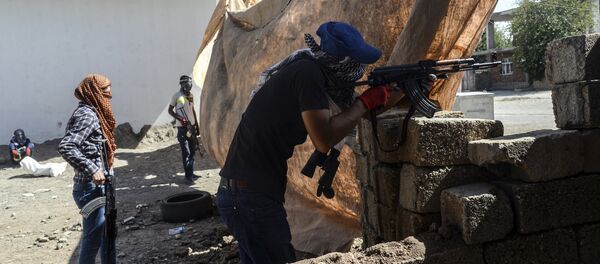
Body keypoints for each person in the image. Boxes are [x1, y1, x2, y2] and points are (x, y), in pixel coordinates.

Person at [216, 21, 433, 264]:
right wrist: (364, 102)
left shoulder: (309, 71)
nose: (359, 71)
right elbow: (324, 139)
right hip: (249, 197)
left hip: (246, 194)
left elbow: (352, 114)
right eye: (356, 63)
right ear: (341, 62)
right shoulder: (308, 75)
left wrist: (402, 89)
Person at [58, 74, 117, 264]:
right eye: (105, 90)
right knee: (92, 241)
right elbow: (67, 146)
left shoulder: (94, 112)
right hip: (90, 189)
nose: (110, 93)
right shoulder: (87, 115)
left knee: (108, 236)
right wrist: (92, 169)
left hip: (100, 187)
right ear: (94, 91)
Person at [168, 75, 200, 184]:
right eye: (187, 83)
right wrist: (180, 118)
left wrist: (197, 125)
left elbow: (193, 110)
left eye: (190, 83)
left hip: (192, 127)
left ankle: (191, 172)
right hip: (182, 129)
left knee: (193, 151)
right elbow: (170, 111)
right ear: (182, 84)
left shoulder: (190, 95)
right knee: (186, 152)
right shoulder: (176, 96)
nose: (189, 85)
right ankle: (188, 177)